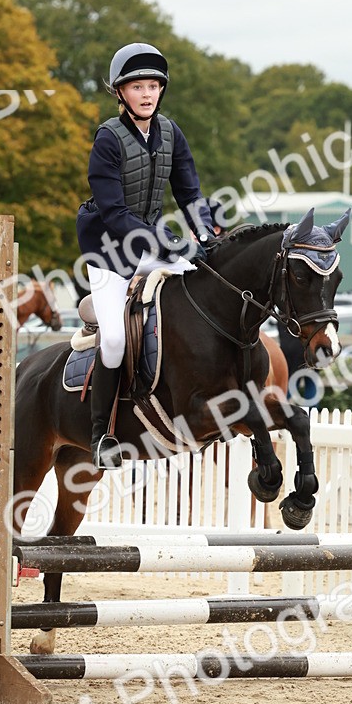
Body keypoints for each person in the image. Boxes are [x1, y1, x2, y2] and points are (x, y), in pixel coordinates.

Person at [77, 42, 216, 468]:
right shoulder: (107, 139)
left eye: (154, 85)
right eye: (137, 86)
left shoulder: (171, 133)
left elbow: (189, 192)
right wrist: (163, 244)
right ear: (120, 93)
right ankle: (102, 435)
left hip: (152, 240)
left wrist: (206, 235)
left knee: (201, 285)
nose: (147, 93)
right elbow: (115, 212)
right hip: (110, 250)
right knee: (116, 338)